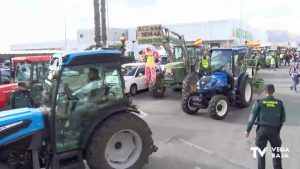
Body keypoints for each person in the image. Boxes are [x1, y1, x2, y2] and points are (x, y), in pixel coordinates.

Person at [245, 84, 286, 169]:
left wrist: (248, 130)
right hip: (274, 131)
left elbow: (252, 117)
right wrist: (278, 127)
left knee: (261, 154)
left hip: (262, 131)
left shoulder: (259, 102)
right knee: (276, 154)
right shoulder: (279, 103)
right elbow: (283, 118)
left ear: (265, 92)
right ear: (274, 91)